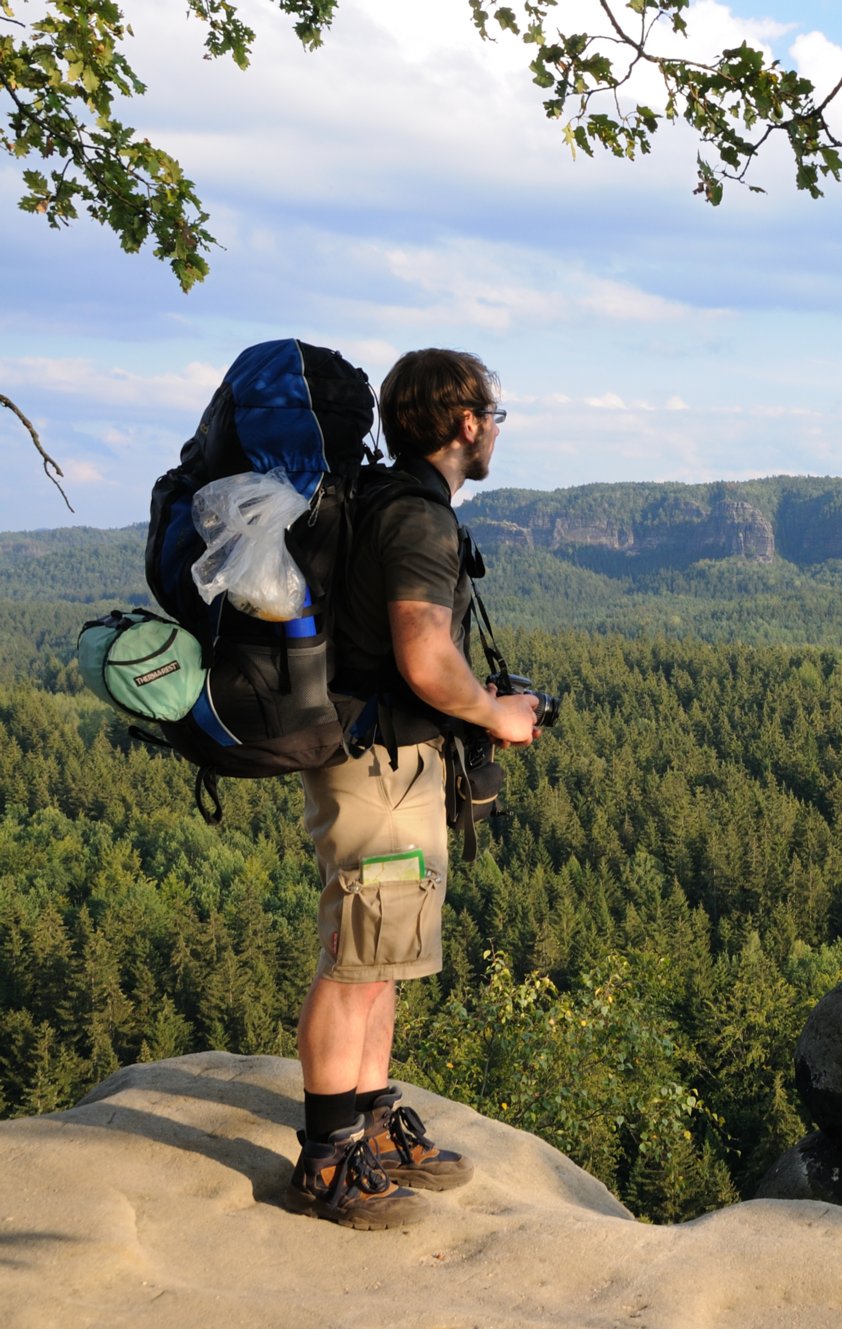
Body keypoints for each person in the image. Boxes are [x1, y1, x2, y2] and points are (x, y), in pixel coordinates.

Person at [285, 348, 541, 1228]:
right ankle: (326, 1162)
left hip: (388, 758)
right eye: (494, 416)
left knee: (382, 955)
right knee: (356, 961)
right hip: (377, 764)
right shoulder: (419, 521)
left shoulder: (390, 502)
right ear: (466, 423)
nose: (496, 431)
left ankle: (372, 1125)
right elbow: (425, 658)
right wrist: (498, 714)